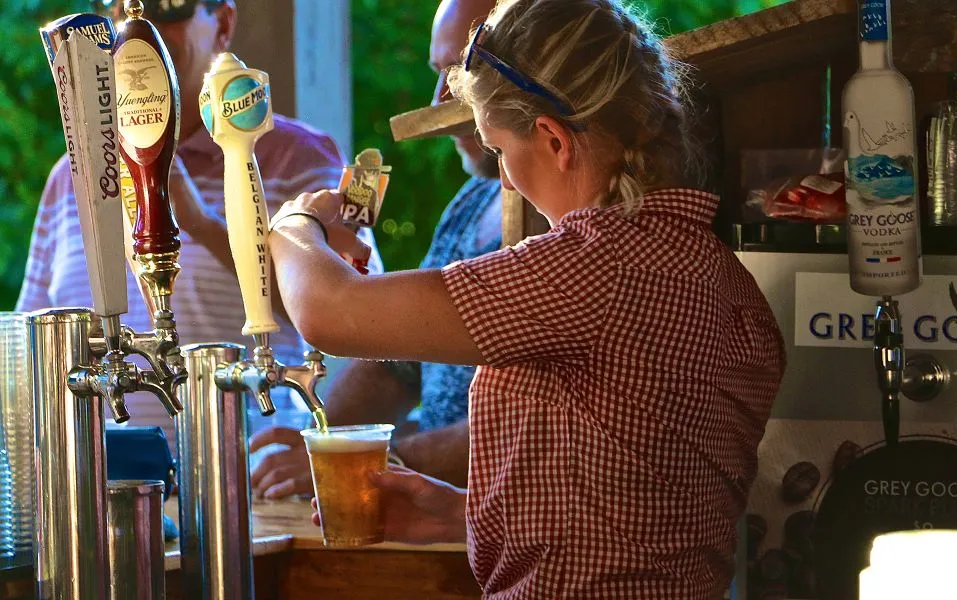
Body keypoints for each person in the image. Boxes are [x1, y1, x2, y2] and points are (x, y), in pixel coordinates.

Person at [272, 0, 787, 596]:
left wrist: (293, 224)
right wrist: (465, 515)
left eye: (497, 150)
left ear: (553, 140)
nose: (507, 179)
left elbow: (328, 312)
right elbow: (635, 503)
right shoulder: (723, 277)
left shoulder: (593, 267)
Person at [18, 0, 382, 445]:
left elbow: (361, 322)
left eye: (168, 8)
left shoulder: (298, 158)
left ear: (224, 23)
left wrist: (200, 221)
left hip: (245, 480)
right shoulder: (71, 175)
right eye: (116, 8)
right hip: (98, 485)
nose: (137, 28)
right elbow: (27, 346)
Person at [248, 0, 501, 495]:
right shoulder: (469, 203)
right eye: (438, 73)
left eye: (461, 70)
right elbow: (399, 365)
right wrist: (320, 445)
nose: (438, 100)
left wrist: (295, 226)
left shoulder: (577, 227)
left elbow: (525, 432)